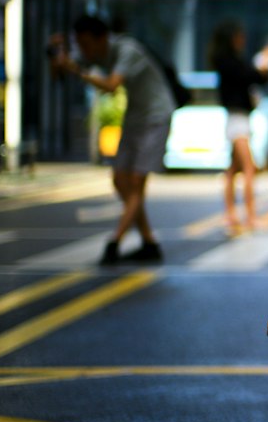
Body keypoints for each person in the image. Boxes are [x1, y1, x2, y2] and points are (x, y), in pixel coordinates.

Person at [49, 15, 176, 264]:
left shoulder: (128, 50)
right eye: (80, 45)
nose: (84, 50)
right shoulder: (96, 52)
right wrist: (55, 54)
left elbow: (111, 85)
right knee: (120, 179)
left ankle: (114, 243)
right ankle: (149, 242)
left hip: (156, 116)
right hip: (135, 117)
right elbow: (61, 72)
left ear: (102, 38)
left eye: (86, 44)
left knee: (137, 181)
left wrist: (75, 68)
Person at [209, 20, 268, 234]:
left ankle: (231, 214)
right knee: (248, 168)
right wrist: (265, 62)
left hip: (238, 118)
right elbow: (253, 76)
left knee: (233, 169)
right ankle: (250, 216)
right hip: (238, 119)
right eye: (239, 36)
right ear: (232, 38)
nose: (242, 40)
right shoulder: (229, 62)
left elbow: (255, 77)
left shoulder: (227, 61)